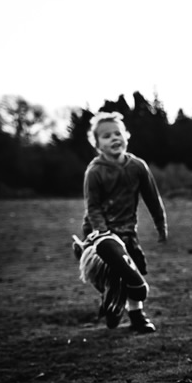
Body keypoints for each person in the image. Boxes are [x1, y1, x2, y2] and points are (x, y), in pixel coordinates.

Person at [77, 111, 167, 333]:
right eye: (106, 136)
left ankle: (137, 316)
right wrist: (102, 232)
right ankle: (112, 301)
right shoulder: (95, 171)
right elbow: (93, 206)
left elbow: (152, 198)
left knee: (132, 270)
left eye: (118, 133)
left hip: (127, 230)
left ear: (127, 135)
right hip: (99, 233)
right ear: (97, 144)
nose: (114, 138)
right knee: (108, 274)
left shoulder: (137, 166)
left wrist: (160, 224)